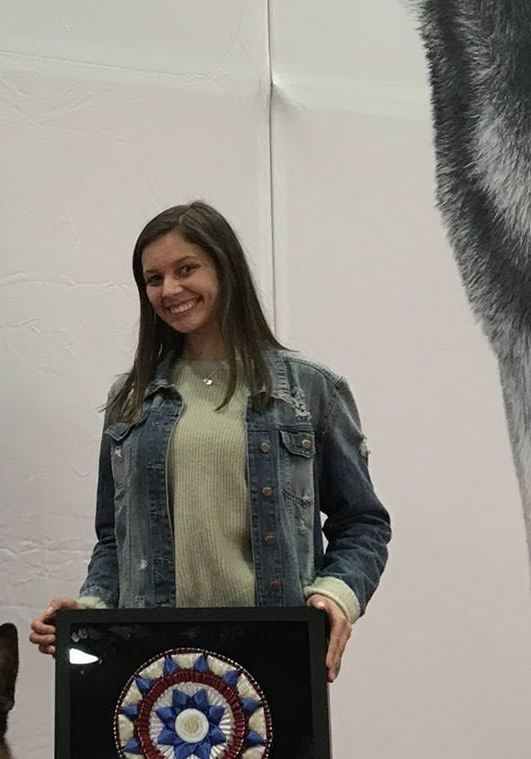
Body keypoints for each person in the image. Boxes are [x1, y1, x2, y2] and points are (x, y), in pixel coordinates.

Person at [30, 201, 388, 675]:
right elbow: (114, 539)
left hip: (275, 652)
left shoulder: (311, 390)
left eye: (186, 269)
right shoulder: (130, 399)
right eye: (153, 278)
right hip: (152, 662)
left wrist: (336, 595)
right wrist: (90, 609)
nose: (169, 289)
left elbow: (363, 522)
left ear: (225, 268)